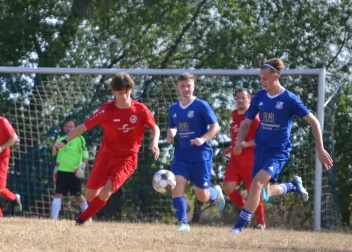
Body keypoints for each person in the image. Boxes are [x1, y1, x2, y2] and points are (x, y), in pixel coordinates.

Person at [231, 59, 334, 233]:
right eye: (260, 78)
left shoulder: (289, 99)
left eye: (265, 78)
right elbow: (246, 123)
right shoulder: (259, 97)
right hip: (261, 150)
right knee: (263, 194)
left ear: (276, 76)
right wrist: (239, 141)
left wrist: (320, 149)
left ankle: (238, 228)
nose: (262, 81)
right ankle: (292, 186)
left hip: (278, 152)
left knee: (256, 183)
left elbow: (314, 122)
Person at [53, 73, 160, 225]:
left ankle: (81, 220)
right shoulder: (106, 111)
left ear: (131, 90)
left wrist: (154, 143)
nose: (124, 96)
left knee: (106, 191)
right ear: (114, 93)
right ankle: (91, 209)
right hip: (106, 156)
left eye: (127, 92)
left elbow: (155, 128)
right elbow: (82, 127)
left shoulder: (140, 110)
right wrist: (64, 140)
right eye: (120, 93)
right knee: (90, 195)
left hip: (127, 158)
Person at [223, 88, 307, 230]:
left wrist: (246, 144)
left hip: (253, 159)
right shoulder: (234, 115)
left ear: (250, 100)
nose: (240, 100)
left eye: (243, 97)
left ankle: (259, 222)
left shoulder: (255, 118)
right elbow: (238, 138)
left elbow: (260, 139)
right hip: (236, 160)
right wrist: (232, 148)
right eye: (238, 97)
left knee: (258, 194)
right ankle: (247, 212)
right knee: (229, 187)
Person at [166, 73, 225, 232]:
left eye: (189, 86)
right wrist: (171, 134)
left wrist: (203, 139)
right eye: (183, 86)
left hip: (200, 156)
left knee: (202, 196)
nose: (186, 89)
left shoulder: (201, 105)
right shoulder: (173, 108)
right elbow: (172, 126)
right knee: (176, 186)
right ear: (178, 87)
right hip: (181, 156)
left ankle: (216, 192)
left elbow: (216, 127)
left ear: (194, 86)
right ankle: (183, 223)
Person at [50, 116, 90, 220]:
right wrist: (56, 169)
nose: (69, 128)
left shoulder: (80, 139)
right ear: (64, 128)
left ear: (75, 128)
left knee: (78, 195)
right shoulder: (60, 140)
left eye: (71, 126)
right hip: (62, 171)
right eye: (67, 126)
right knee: (58, 193)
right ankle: (53, 218)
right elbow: (57, 156)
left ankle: (88, 218)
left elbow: (85, 154)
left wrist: (82, 166)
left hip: (75, 171)